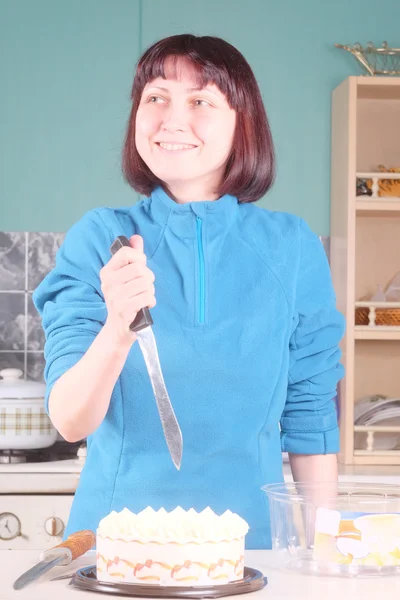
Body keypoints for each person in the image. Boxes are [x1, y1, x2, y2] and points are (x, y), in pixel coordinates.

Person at [33, 34, 345, 549]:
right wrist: (116, 329)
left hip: (255, 556)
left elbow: (310, 418)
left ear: (243, 121)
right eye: (156, 98)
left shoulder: (291, 247)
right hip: (112, 552)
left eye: (200, 101)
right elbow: (69, 420)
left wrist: (326, 554)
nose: (172, 119)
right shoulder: (100, 238)